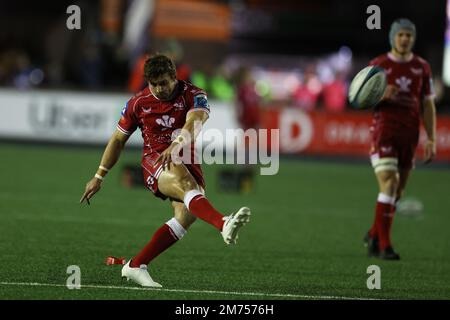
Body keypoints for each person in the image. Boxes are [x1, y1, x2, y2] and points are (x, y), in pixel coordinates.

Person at [80, 54, 251, 287]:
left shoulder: (194, 95)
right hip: (155, 160)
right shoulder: (137, 103)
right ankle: (223, 223)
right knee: (187, 186)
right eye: (153, 84)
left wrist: (178, 143)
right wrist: (99, 176)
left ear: (174, 77)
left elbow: (195, 122)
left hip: (186, 157)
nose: (159, 89)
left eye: (163, 82)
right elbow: (118, 140)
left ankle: (136, 265)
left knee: (186, 215)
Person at [364, 19, 437, 260]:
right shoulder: (378, 65)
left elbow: (427, 103)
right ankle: (385, 245)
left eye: (409, 35)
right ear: (393, 38)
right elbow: (360, 98)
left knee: (398, 191)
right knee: (389, 182)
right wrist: (380, 94)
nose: (405, 39)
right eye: (401, 35)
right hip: (384, 131)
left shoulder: (422, 67)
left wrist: (431, 138)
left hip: (409, 135)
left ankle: (375, 233)